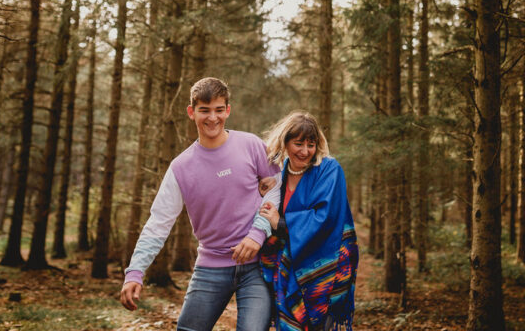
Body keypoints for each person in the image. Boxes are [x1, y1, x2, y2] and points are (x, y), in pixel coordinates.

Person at [120, 77, 282, 331]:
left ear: (228, 110)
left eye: (219, 110)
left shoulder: (250, 145)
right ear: (191, 112)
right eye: (204, 110)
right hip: (211, 268)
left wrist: (257, 233)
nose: (212, 118)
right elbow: (159, 222)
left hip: (257, 266)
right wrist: (135, 271)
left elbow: (276, 188)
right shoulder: (181, 167)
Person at [258, 111, 359, 331]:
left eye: (311, 145)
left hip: (326, 263)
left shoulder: (329, 169)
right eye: (298, 144)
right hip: (288, 267)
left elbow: (326, 218)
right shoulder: (279, 174)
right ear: (285, 143)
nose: (305, 151)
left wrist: (280, 223)